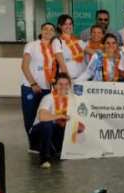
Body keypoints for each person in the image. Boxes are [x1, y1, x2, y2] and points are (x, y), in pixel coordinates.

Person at [29, 73, 84, 169]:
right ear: (54, 85)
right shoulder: (48, 98)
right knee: (47, 124)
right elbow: (42, 117)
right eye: (60, 84)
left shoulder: (72, 99)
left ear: (69, 86)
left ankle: (58, 150)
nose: (63, 87)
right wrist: (60, 116)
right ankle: (44, 158)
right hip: (38, 132)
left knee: (76, 126)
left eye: (66, 84)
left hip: (56, 131)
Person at [21, 22, 56, 152]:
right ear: (41, 31)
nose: (48, 31)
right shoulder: (32, 45)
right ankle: (32, 144)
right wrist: (33, 83)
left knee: (42, 116)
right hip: (30, 87)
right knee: (30, 116)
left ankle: (41, 141)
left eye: (51, 29)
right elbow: (24, 66)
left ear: (54, 33)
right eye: (45, 29)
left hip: (46, 88)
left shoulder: (54, 48)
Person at [53, 15, 87, 80]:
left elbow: (91, 51)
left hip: (82, 79)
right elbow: (62, 64)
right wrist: (68, 79)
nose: (68, 26)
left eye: (70, 24)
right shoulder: (57, 41)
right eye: (65, 24)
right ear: (60, 26)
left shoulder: (78, 40)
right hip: (69, 78)